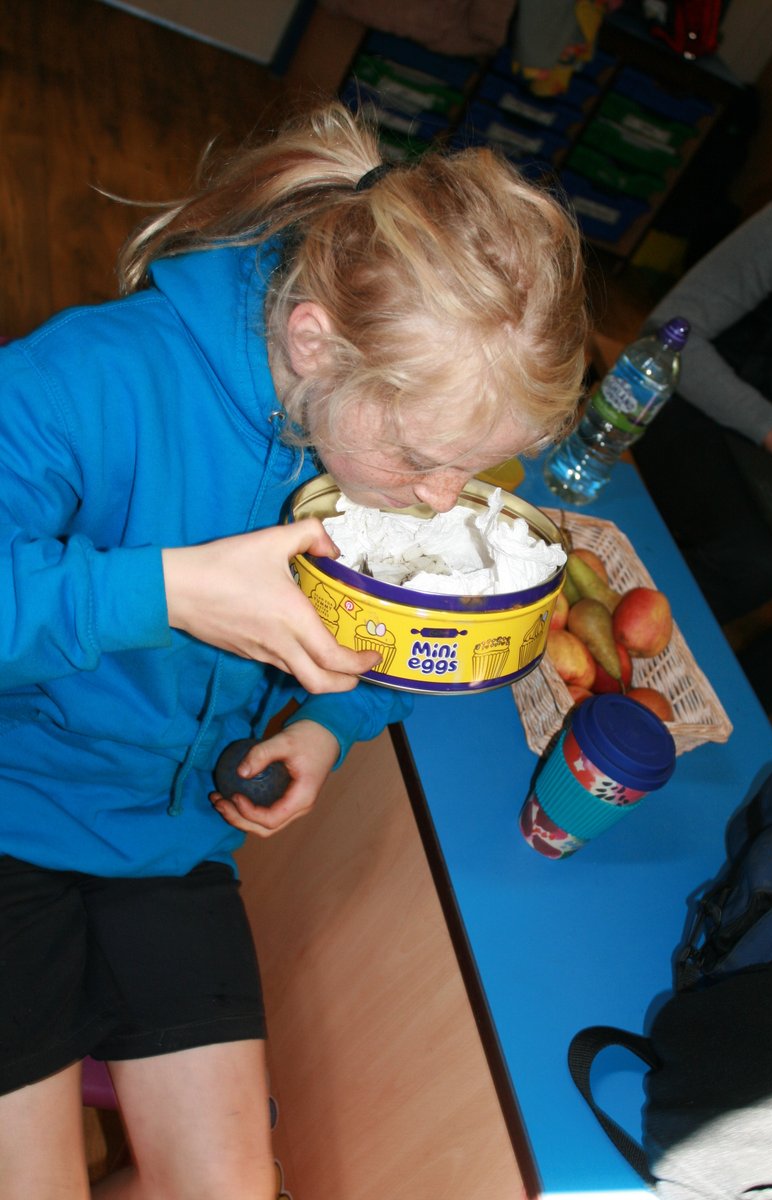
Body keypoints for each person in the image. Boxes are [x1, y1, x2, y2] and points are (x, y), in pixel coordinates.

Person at [0, 101, 587, 1199]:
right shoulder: (94, 378)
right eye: (420, 459)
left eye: (474, 470)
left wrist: (328, 721)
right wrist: (172, 593)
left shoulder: (381, 439)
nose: (440, 500)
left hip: (168, 838)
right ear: (314, 343)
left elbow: (393, 639)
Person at [632, 186, 772, 713]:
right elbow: (670, 330)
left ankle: (727, 716)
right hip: (695, 407)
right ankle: (628, 665)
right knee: (757, 560)